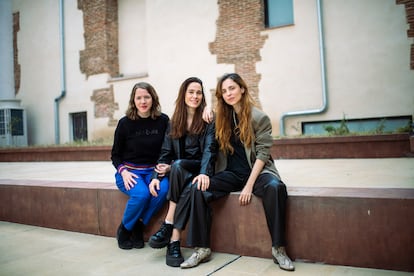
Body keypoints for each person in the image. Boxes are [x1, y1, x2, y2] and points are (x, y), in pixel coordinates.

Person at [174, 73, 295, 271]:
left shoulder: (259, 117)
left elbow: (263, 154)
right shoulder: (220, 118)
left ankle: (278, 248)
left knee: (275, 188)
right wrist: (206, 108)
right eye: (224, 91)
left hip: (258, 172)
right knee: (198, 188)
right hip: (230, 174)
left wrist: (248, 186)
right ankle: (202, 248)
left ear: (242, 89)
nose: (228, 93)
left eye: (232, 88)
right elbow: (210, 145)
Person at [147, 77, 217, 267]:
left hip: (202, 170)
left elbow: (210, 150)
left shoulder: (208, 118)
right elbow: (165, 153)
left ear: (203, 96)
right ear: (183, 94)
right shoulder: (174, 122)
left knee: (178, 166)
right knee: (177, 167)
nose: (195, 96)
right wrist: (156, 177)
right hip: (181, 171)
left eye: (199, 92)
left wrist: (203, 173)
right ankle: (174, 241)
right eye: (191, 92)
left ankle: (169, 226)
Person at [111, 82, 169, 250]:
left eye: (146, 97)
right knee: (142, 194)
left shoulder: (163, 120)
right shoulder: (124, 123)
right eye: (139, 98)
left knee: (163, 190)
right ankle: (124, 229)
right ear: (133, 100)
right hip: (129, 173)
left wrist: (158, 175)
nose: (143, 101)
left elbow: (168, 149)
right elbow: (115, 155)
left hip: (154, 172)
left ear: (153, 99)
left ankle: (138, 224)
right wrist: (123, 172)